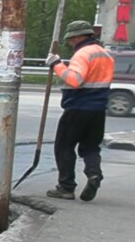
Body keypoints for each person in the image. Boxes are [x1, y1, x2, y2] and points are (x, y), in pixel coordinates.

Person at [45, 20, 114, 201]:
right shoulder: (105, 54)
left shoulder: (83, 54)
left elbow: (75, 79)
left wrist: (57, 64)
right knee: (91, 147)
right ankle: (94, 174)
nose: (69, 43)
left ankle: (66, 187)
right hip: (98, 110)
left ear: (76, 37)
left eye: (70, 40)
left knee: (64, 147)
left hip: (77, 108)